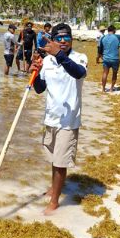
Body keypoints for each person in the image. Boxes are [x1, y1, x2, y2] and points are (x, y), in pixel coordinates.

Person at [30, 23, 88, 215]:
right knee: (54, 159)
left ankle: (54, 201)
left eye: (66, 37)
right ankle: (54, 188)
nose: (63, 41)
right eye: (59, 38)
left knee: (61, 162)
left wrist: (59, 55)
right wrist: (36, 72)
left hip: (68, 121)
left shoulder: (79, 58)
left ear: (72, 39)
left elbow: (78, 73)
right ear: (53, 40)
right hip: (51, 118)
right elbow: (39, 89)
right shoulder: (47, 61)